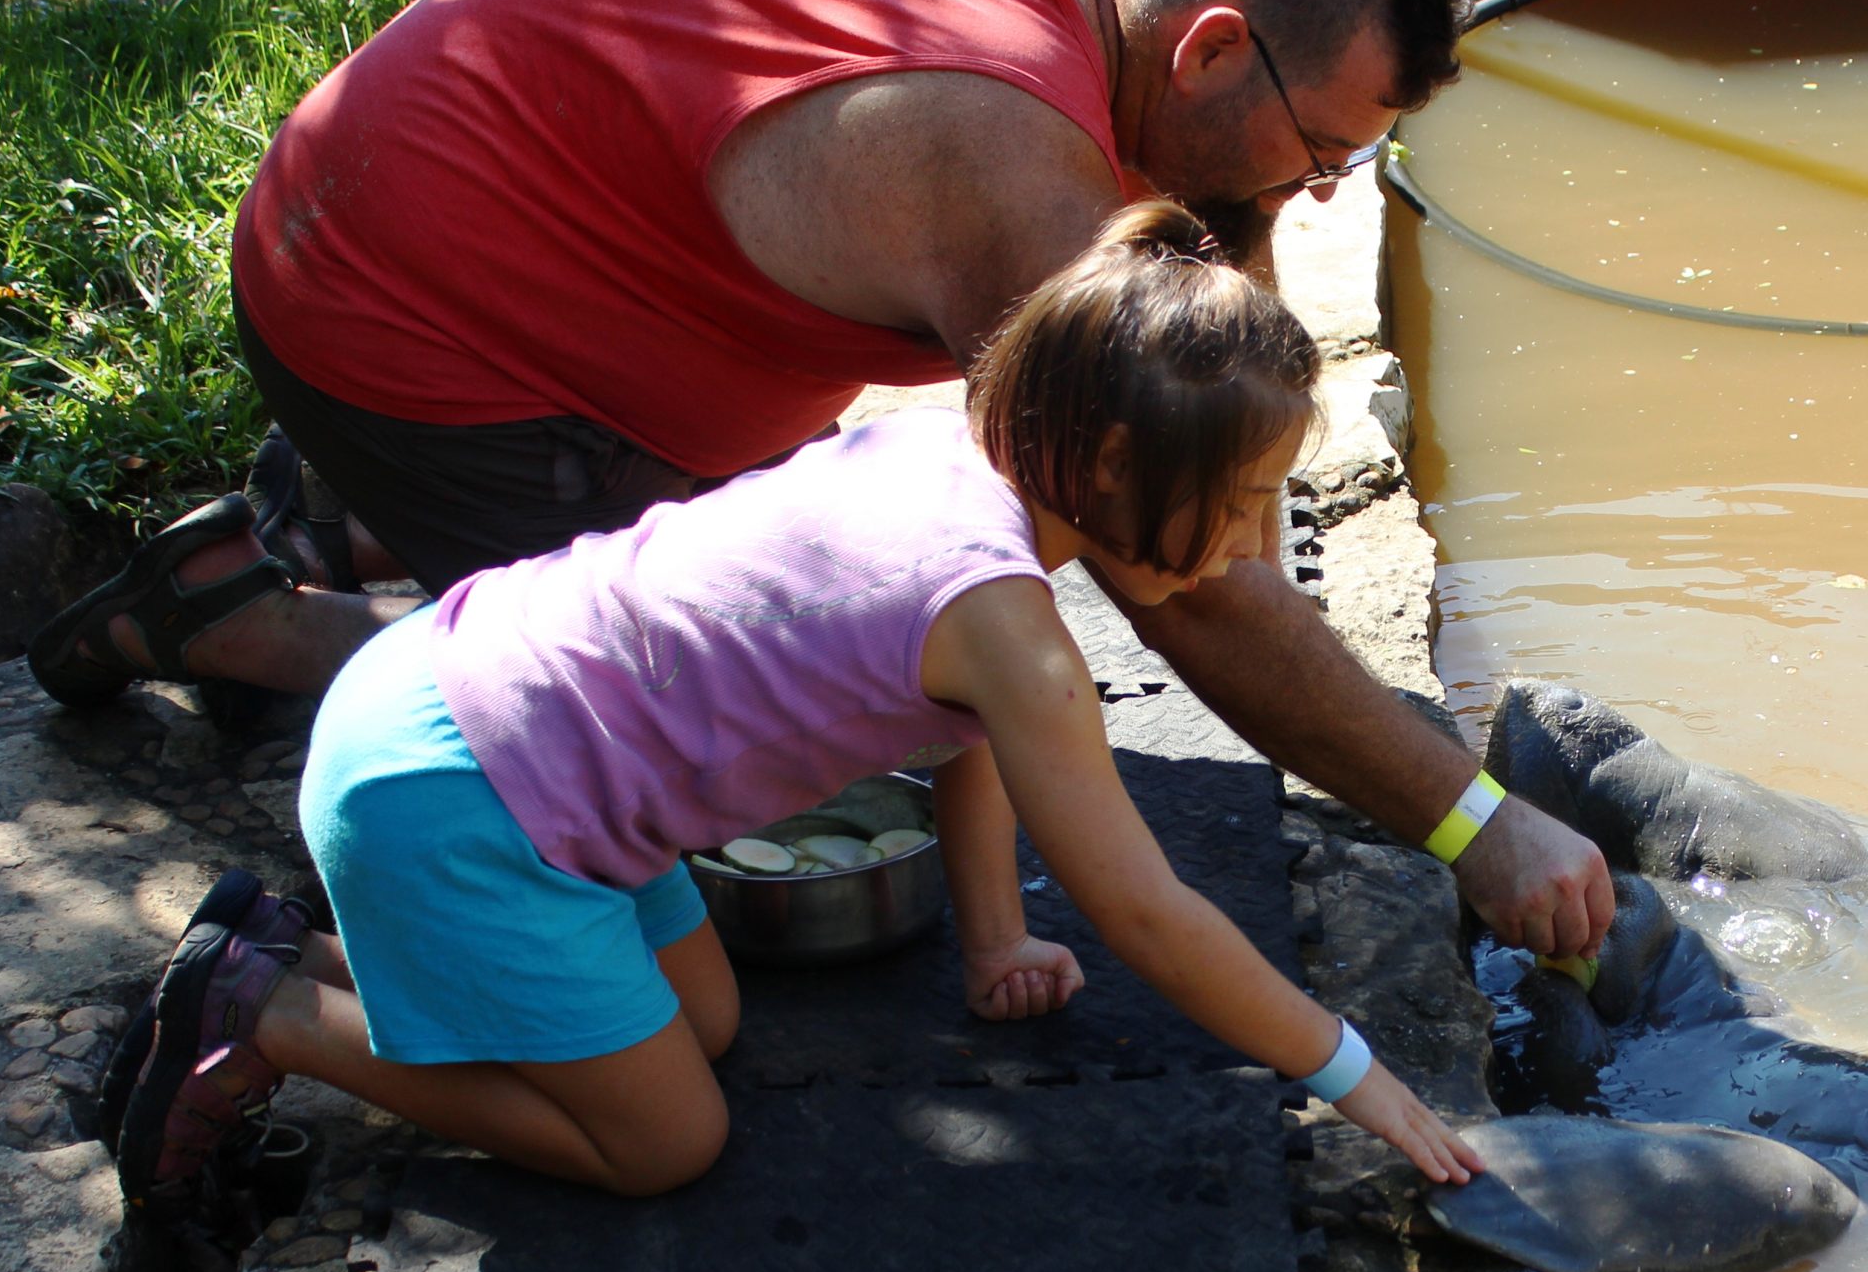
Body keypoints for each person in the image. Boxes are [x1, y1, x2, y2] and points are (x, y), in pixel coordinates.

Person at [32, 0, 1614, 958]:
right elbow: (1184, 578)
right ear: (1206, 47)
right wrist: (1469, 819)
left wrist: (1255, 182)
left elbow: (1218, 337)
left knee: (808, 568)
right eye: (1321, 150)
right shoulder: (1004, 156)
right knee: (742, 718)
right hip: (390, 307)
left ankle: (350, 515)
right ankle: (265, 619)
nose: (1326, 192)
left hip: (459, 230)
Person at [105, 203, 1486, 1211]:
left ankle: (305, 952)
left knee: (698, 1025)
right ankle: (271, 1011)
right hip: (458, 801)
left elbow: (966, 735)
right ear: (1116, 458)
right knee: (665, 1146)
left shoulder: (953, 449)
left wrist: (994, 938)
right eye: (1244, 504)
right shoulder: (1015, 630)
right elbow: (1145, 912)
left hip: (461, 712)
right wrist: (1352, 1071)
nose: (1255, 548)